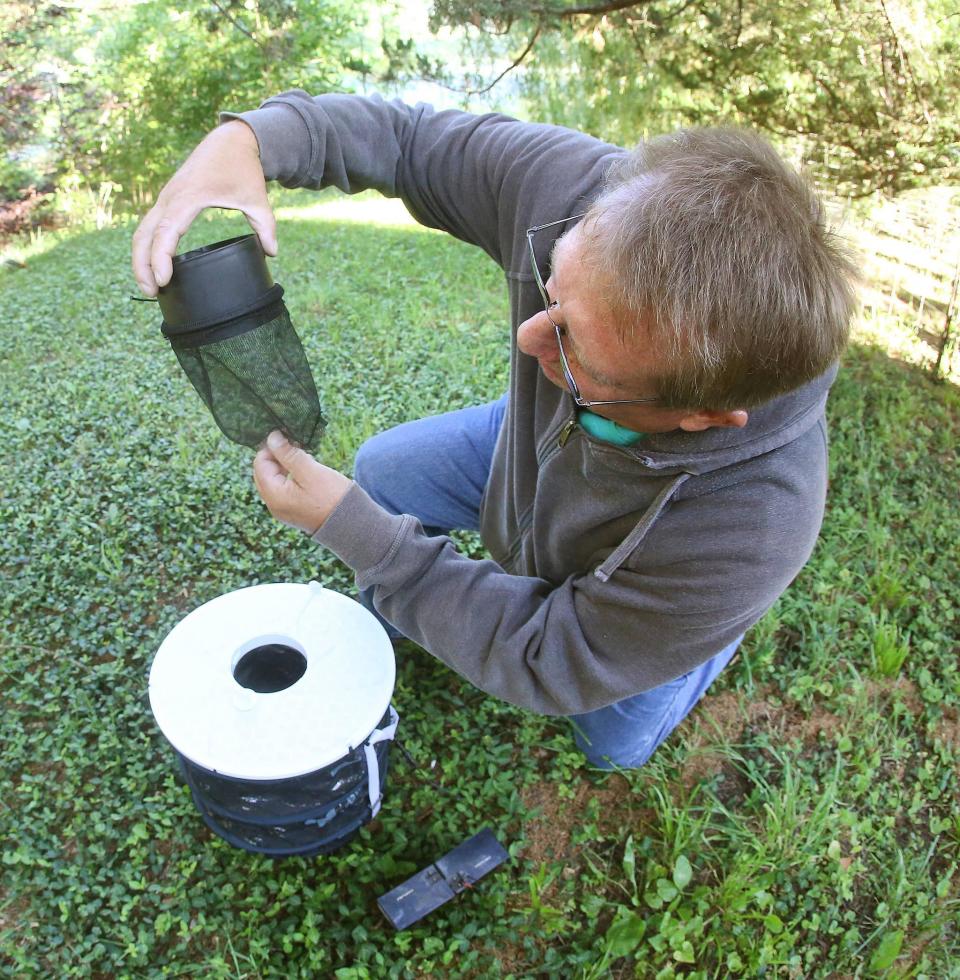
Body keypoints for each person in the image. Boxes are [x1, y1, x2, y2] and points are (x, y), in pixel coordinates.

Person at [132, 92, 857, 769]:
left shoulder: (751, 526)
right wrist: (253, 137)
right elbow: (408, 141)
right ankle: (561, 486)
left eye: (578, 354)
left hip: (661, 546)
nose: (527, 338)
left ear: (703, 415)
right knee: (387, 470)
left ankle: (692, 642)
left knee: (612, 742)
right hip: (546, 442)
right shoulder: (581, 193)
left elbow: (547, 658)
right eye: (554, 289)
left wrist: (363, 537)